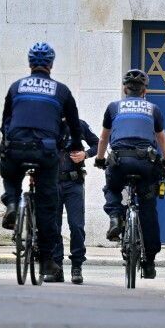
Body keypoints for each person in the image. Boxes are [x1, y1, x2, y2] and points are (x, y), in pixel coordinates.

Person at [0, 42, 84, 283]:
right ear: (51, 64)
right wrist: (76, 146)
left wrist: (6, 143)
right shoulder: (61, 91)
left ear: (30, 64)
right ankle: (47, 260)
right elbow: (75, 127)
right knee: (48, 205)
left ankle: (13, 204)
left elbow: (5, 121)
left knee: (10, 173)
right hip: (46, 152)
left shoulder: (16, 87)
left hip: (16, 148)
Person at [94, 69, 165, 279]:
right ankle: (149, 263)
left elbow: (103, 139)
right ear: (145, 90)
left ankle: (116, 218)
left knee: (112, 188)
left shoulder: (113, 107)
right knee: (148, 209)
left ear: (124, 89)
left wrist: (100, 159)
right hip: (145, 164)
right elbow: (162, 139)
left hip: (119, 162)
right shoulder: (153, 109)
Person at [50, 118, 100, 284]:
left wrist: (85, 154)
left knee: (76, 225)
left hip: (73, 183)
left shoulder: (79, 125)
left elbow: (98, 144)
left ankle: (76, 266)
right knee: (53, 227)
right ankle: (56, 268)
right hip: (52, 182)